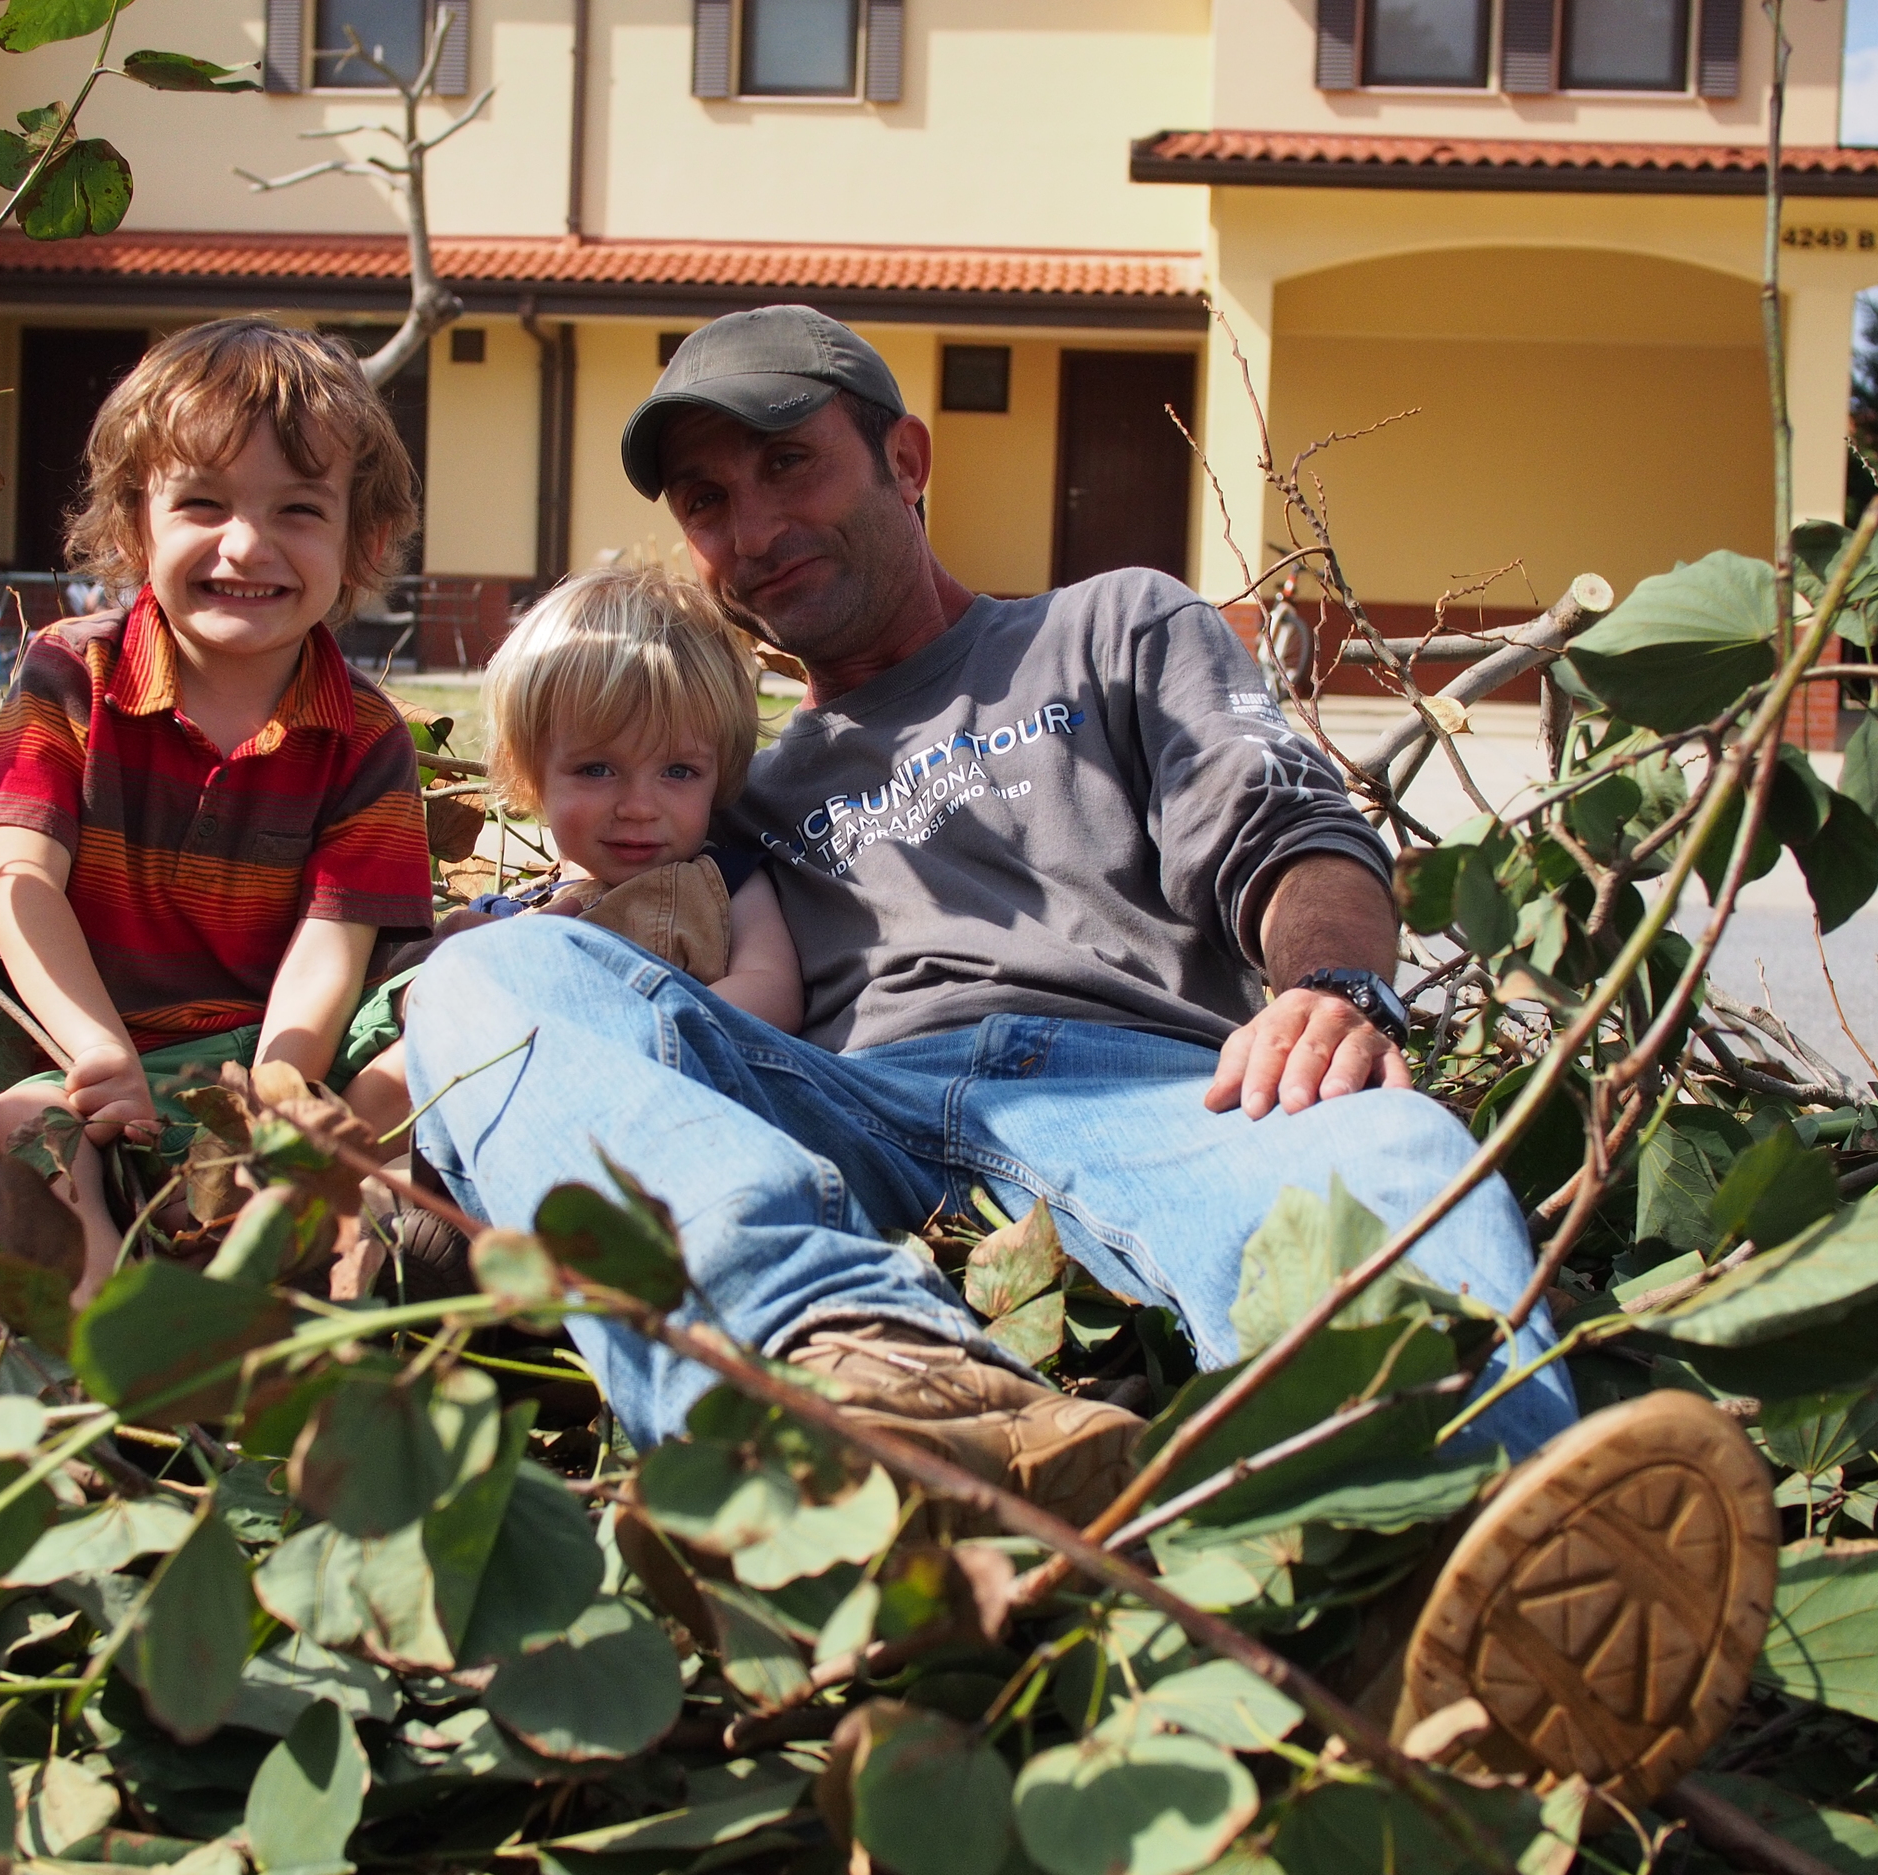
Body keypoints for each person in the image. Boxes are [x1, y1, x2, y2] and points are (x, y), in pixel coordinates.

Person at [398, 308, 1775, 1808]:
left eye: (788, 464)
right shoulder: (734, 780)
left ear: (906, 459)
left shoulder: (1113, 628)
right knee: (488, 972)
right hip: (857, 1099)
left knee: (1387, 1144)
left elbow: (1292, 827)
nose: (754, 527)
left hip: (1153, 1085)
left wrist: (1334, 985)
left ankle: (1479, 1569)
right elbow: (618, 989)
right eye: (709, 502)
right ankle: (842, 1384)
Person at [0, 318, 435, 1305]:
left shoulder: (365, 731)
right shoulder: (71, 672)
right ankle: (103, 1342)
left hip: (278, 1051)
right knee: (14, 1128)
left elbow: (332, 942)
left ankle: (292, 1254)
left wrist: (284, 1084)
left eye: (299, 510)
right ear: (137, 526)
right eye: (202, 503)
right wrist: (97, 1052)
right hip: (101, 1051)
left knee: (442, 1037)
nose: (246, 545)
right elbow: (18, 879)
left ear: (364, 540)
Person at [346, 562, 804, 1143]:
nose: (639, 806)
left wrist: (630, 1034)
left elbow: (773, 991)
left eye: (679, 771)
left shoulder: (724, 882)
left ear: (722, 773)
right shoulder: (511, 915)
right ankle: (305, 1165)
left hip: (672, 1112)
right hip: (521, 1121)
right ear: (531, 775)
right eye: (597, 769)